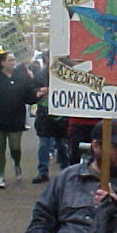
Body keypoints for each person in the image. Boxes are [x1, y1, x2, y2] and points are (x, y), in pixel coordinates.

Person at [0, 51, 42, 189]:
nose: (13, 62)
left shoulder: (21, 76)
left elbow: (28, 96)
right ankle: (1, 176)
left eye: (13, 60)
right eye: (10, 60)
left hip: (16, 117)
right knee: (0, 146)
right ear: (2, 62)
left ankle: (17, 164)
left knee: (15, 147)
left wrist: (37, 95)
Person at [32, 50, 69, 184]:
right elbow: (34, 90)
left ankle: (65, 172)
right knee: (44, 145)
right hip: (45, 115)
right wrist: (40, 92)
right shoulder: (41, 74)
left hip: (60, 115)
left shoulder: (63, 72)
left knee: (62, 146)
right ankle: (43, 172)